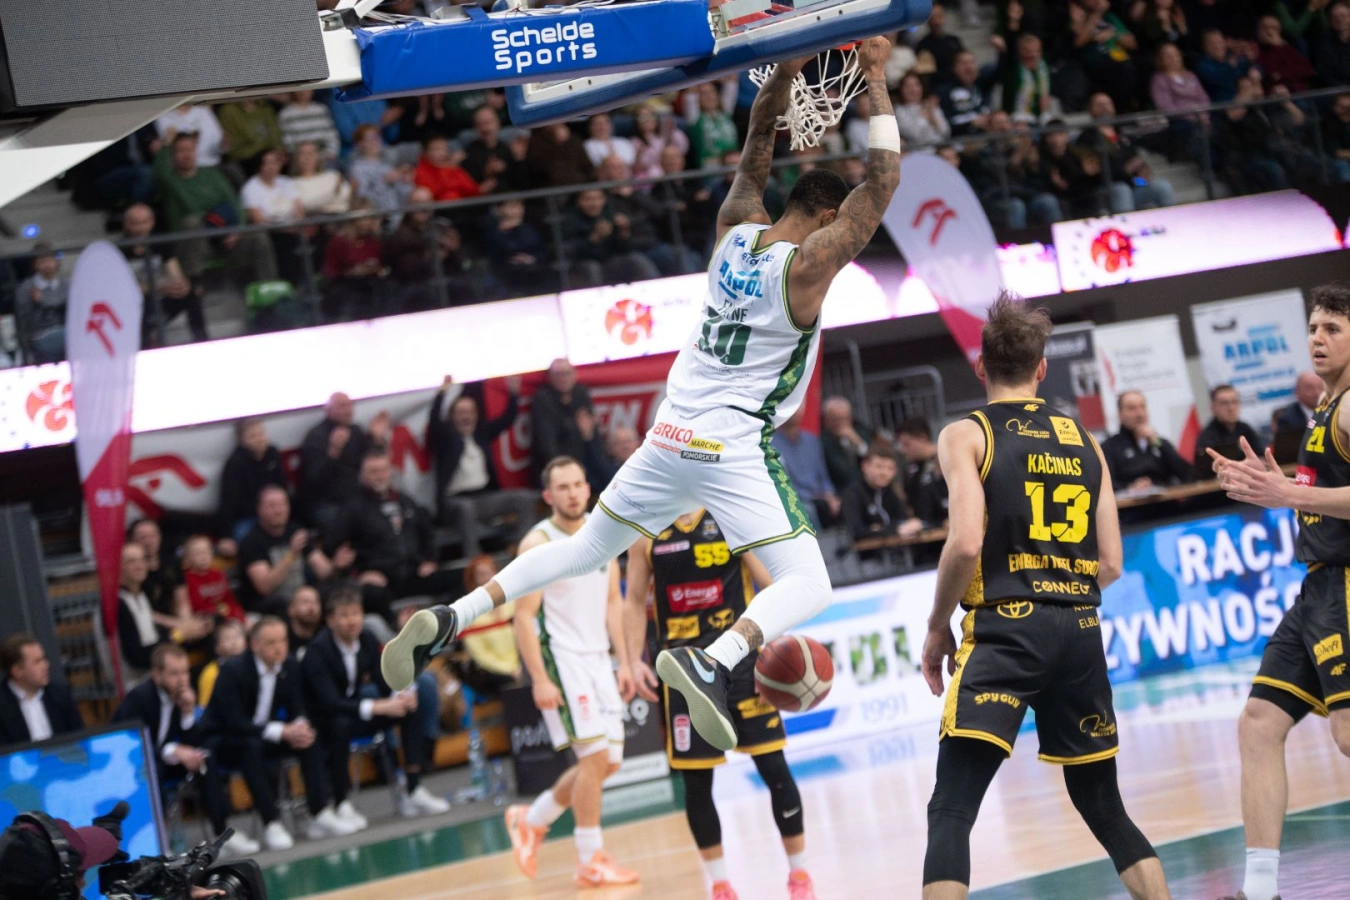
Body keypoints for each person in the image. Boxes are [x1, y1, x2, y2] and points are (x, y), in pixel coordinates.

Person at [383, 38, 902, 759]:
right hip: (729, 441)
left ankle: (453, 615)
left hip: (669, 434)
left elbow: (758, 142)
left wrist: (783, 75)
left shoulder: (733, 231)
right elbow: (882, 182)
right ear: (824, 218)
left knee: (585, 549)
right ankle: (712, 661)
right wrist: (873, 77)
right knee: (809, 582)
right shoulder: (809, 266)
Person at [918, 295, 1170, 900]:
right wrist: (1062, 594)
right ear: (1042, 368)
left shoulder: (966, 434)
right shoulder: (1087, 441)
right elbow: (1112, 562)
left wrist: (936, 626)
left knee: (952, 807)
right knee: (1105, 806)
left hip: (1007, 630)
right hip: (1079, 629)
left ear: (980, 366)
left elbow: (965, 543)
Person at [1205, 283, 1350, 900]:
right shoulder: (1326, 404)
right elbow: (1322, 487)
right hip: (1317, 589)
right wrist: (1275, 482)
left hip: (1346, 583)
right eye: (1314, 327)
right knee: (1259, 721)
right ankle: (1260, 890)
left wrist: (1289, 493)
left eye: (1333, 328)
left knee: (1347, 735)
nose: (1318, 338)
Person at [623, 510, 815, 900]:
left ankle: (800, 876)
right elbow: (633, 601)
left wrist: (776, 645)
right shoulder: (646, 530)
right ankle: (720, 885)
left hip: (742, 662)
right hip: (683, 670)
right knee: (697, 784)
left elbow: (769, 584)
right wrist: (631, 661)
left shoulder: (728, 516)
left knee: (775, 769)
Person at [501, 457, 637, 887]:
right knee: (593, 759)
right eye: (563, 487)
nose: (573, 493)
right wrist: (539, 679)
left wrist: (624, 660)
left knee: (608, 763)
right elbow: (524, 616)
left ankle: (532, 819)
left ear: (588, 488)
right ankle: (589, 858)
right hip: (563, 661)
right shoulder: (537, 543)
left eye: (578, 484)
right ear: (548, 496)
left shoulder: (604, 529)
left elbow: (613, 602)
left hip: (598, 659)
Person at [201, 617, 357, 850]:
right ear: (255, 645)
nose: (279, 648)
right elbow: (234, 722)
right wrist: (282, 730)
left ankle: (319, 812)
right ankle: (271, 822)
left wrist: (300, 725)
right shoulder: (233, 670)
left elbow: (298, 705)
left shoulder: (289, 665)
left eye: (283, 641)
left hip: (264, 734)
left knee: (307, 738)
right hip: (225, 739)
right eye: (271, 642)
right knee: (250, 746)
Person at [301, 585, 449, 829]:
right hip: (323, 720)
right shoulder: (318, 651)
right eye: (344, 615)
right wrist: (378, 707)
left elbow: (382, 680)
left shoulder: (366, 638)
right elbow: (329, 702)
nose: (352, 621)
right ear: (330, 620)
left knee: (408, 708)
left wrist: (399, 696)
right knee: (339, 725)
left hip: (353, 713)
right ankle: (341, 801)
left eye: (356, 613)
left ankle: (413, 788)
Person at [112, 644, 257, 858]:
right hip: (136, 763)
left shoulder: (182, 697)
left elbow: (194, 741)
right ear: (157, 675)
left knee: (205, 758)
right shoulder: (139, 698)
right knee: (153, 770)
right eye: (174, 674)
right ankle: (160, 844)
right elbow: (131, 744)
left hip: (166, 760)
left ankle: (221, 832)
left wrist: (188, 713)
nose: (182, 680)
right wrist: (172, 749)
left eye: (185, 672)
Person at [325, 450, 459, 621]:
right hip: (381, 580)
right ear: (363, 475)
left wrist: (430, 560)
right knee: (371, 594)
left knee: (464, 576)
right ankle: (397, 629)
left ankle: (445, 624)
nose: (379, 476)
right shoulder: (352, 509)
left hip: (415, 573)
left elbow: (428, 534)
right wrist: (358, 575)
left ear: (390, 472)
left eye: (383, 470)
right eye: (373, 471)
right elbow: (333, 547)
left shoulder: (405, 501)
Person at [428, 376, 538, 555]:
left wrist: (513, 394)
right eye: (460, 412)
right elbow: (434, 422)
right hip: (454, 502)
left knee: (524, 498)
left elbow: (507, 419)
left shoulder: (481, 435)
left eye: (470, 412)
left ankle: (523, 549)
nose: (466, 416)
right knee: (465, 508)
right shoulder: (445, 439)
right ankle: (474, 559)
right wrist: (442, 392)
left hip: (483, 498)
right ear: (452, 416)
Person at [237, 486, 345, 616]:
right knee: (286, 604)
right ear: (259, 509)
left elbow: (322, 571)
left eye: (282, 504)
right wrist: (291, 555)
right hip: (268, 603)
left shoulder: (295, 531)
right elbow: (265, 587)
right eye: (272, 506)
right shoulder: (251, 542)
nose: (278, 511)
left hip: (300, 595)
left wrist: (336, 566)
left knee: (339, 591)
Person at [299, 392, 390, 530]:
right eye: (342, 406)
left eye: (350, 405)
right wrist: (333, 453)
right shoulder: (315, 437)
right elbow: (314, 480)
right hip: (327, 503)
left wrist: (377, 438)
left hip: (357, 497)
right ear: (328, 410)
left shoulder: (355, 431)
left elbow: (372, 461)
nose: (348, 411)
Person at [216, 416, 288, 551]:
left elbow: (283, 487)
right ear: (242, 440)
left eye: (261, 434)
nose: (259, 439)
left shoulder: (273, 454)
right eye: (252, 436)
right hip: (248, 518)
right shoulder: (235, 464)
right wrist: (225, 536)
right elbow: (228, 502)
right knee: (251, 545)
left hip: (276, 511)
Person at [0, 634, 83, 747]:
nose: (46, 665)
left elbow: (79, 737)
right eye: (37, 662)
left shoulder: (61, 694)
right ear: (17, 671)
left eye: (44, 659)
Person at [842, 444, 925, 556]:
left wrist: (881, 530)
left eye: (890, 468)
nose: (884, 473)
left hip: (898, 552)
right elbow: (856, 532)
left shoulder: (891, 492)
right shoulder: (852, 494)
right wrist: (896, 530)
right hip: (868, 558)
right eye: (879, 467)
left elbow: (904, 520)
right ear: (865, 466)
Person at [1101, 391, 1194, 490]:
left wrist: (1158, 443)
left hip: (1166, 498)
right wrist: (1129, 488)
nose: (1140, 414)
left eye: (1143, 407)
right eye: (1132, 408)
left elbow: (1188, 475)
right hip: (1130, 499)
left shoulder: (1159, 443)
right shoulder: (1109, 447)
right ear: (1120, 415)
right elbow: (1106, 485)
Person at [772, 408, 841, 530]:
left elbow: (823, 474)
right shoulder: (772, 444)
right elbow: (784, 481)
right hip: (796, 497)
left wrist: (829, 495)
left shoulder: (812, 440)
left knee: (844, 504)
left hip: (820, 495)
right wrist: (813, 496)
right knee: (808, 509)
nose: (794, 413)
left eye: (797, 408)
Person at [529, 359, 596, 480]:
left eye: (566, 373)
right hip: (555, 468)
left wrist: (587, 433)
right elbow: (547, 444)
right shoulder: (543, 398)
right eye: (558, 374)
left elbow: (590, 434)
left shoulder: (581, 393)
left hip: (584, 461)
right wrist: (564, 472)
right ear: (550, 377)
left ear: (574, 374)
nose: (563, 378)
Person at [1194, 384, 1266, 478]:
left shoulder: (1245, 429)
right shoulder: (1207, 437)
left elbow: (1262, 457)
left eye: (1234, 402)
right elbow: (1207, 473)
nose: (1231, 408)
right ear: (1213, 407)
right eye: (1224, 403)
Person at [177, 535, 246, 623]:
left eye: (207, 551)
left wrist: (239, 616)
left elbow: (230, 600)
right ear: (187, 558)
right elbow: (197, 606)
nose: (204, 557)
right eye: (198, 554)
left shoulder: (218, 574)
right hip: (205, 620)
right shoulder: (186, 579)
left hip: (227, 616)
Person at [898, 418, 949, 528]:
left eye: (907, 444)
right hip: (922, 529)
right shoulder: (910, 469)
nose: (903, 450)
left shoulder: (946, 458)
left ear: (923, 438)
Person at [197, 618, 246, 707]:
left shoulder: (251, 668)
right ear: (217, 648)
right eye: (227, 638)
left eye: (237, 636)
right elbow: (204, 707)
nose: (234, 642)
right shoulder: (210, 673)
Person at [1273, 370, 1323, 437]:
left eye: (1320, 387)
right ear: (1297, 391)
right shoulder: (1288, 419)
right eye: (1310, 388)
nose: (1316, 393)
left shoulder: (1333, 412)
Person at [287, 585, 326, 660]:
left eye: (316, 602)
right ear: (291, 609)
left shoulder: (326, 640)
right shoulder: (283, 638)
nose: (311, 608)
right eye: (305, 602)